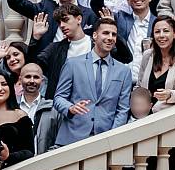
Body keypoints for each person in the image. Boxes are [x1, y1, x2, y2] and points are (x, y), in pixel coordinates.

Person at [51, 16, 135, 148]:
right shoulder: (73, 64)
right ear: (95, 35)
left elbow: (123, 109)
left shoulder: (123, 71)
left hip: (105, 141)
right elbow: (59, 98)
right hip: (72, 137)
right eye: (106, 33)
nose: (110, 37)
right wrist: (70, 108)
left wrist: (112, 137)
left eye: (114, 34)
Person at [134, 16, 175, 112]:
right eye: (157, 32)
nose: (161, 35)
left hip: (168, 115)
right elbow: (139, 85)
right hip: (143, 115)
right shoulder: (147, 55)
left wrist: (170, 94)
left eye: (166, 31)